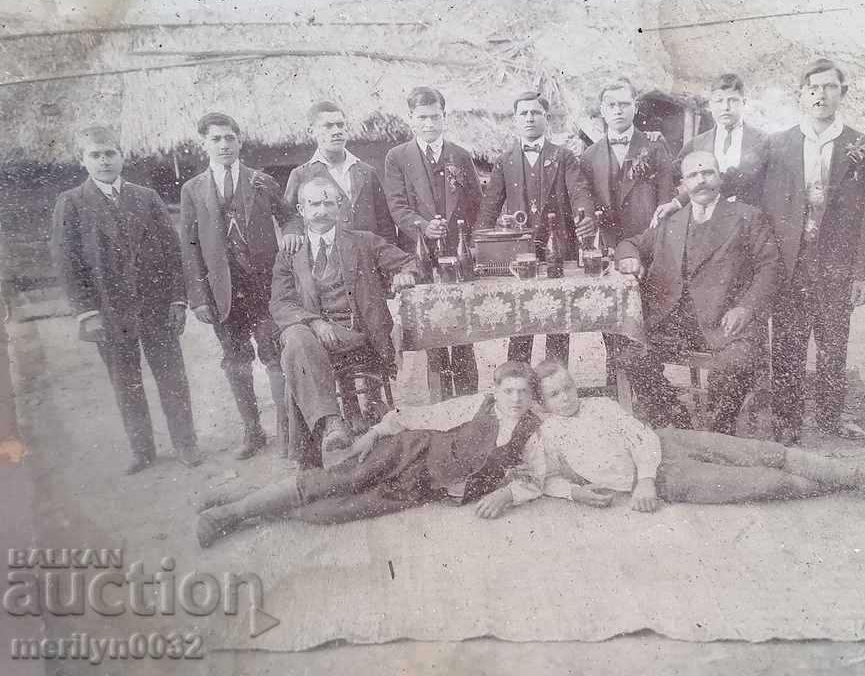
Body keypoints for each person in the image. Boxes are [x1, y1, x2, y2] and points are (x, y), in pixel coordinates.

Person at [196, 361, 544, 547]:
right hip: (408, 451)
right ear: (495, 390)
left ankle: (246, 499)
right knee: (336, 481)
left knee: (330, 511)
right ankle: (227, 513)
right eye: (508, 391)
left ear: (532, 395)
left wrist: (506, 494)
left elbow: (539, 477)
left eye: (523, 392)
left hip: (421, 486)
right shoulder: (479, 405)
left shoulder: (533, 431)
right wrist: (375, 433)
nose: (515, 399)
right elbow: (421, 415)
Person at [519, 361, 865, 510]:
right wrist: (575, 493)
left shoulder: (601, 405)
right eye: (555, 394)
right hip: (669, 479)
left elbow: (640, 438)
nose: (566, 397)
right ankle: (841, 484)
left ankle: (856, 474)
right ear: (541, 402)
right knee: (759, 482)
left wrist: (645, 481)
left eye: (569, 387)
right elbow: (542, 479)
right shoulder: (547, 435)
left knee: (757, 452)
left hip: (665, 444)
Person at [51, 126, 199, 474]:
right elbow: (67, 262)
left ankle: (185, 443)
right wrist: (87, 312)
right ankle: (142, 450)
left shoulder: (146, 197)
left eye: (110, 154)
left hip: (155, 305)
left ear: (121, 156)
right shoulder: (71, 203)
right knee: (125, 381)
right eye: (95, 155)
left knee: (172, 377)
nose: (104, 161)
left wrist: (178, 300)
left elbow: (172, 251)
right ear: (83, 160)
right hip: (109, 311)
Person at [760, 58, 865, 445]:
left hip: (837, 266)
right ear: (801, 94)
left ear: (842, 93)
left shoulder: (863, 146)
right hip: (790, 265)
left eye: (830, 87)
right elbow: (752, 193)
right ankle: (787, 420)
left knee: (833, 345)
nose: (821, 94)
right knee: (788, 344)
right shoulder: (778, 144)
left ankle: (831, 418)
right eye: (813, 87)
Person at [617, 150, 778, 433]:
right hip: (674, 324)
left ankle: (716, 433)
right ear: (683, 184)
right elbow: (630, 243)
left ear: (720, 178)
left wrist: (746, 307)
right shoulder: (670, 221)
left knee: (737, 362)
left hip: (726, 324)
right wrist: (630, 258)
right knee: (631, 354)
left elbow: (770, 267)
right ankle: (676, 421)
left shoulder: (747, 217)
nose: (701, 180)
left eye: (708, 173)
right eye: (693, 175)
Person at [271, 177, 418, 463]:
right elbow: (280, 303)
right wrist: (315, 322)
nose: (321, 211)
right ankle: (332, 422)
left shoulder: (363, 241)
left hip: (356, 334)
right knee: (296, 338)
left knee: (295, 349)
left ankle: (316, 445)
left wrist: (405, 274)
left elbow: (408, 261)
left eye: (329, 203)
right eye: (314, 204)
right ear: (301, 210)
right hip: (313, 336)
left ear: (340, 206)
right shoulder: (290, 253)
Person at [179, 112, 295, 460]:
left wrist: (291, 234)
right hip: (223, 294)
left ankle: (288, 430)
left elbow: (289, 216)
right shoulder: (193, 189)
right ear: (204, 144)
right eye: (216, 139)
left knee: (275, 356)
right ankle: (252, 432)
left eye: (229, 138)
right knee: (235, 361)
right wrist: (198, 297)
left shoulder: (261, 181)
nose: (224, 145)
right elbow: (190, 246)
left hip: (265, 288)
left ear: (240, 140)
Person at [476, 91, 595, 364]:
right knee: (521, 321)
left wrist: (585, 216)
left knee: (558, 320)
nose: (530, 118)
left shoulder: (564, 157)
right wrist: (477, 247)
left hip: (558, 248)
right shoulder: (504, 161)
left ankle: (555, 379)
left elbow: (579, 191)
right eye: (524, 113)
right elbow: (489, 207)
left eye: (536, 113)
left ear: (546, 118)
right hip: (519, 253)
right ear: (515, 120)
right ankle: (518, 378)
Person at [383, 86, 482, 398]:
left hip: (458, 255)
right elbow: (397, 205)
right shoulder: (397, 158)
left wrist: (469, 243)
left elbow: (477, 205)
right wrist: (425, 227)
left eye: (435, 117)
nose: (429, 123)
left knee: (463, 330)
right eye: (422, 117)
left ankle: (468, 397)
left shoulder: (460, 156)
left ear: (444, 117)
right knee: (432, 331)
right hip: (421, 255)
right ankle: (441, 400)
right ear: (411, 119)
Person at [580, 78, 674, 385]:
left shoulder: (655, 148)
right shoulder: (589, 156)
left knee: (645, 324)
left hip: (647, 247)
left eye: (624, 104)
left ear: (635, 107)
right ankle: (615, 387)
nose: (618, 110)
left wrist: (656, 245)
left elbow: (666, 200)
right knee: (611, 322)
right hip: (608, 249)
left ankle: (649, 389)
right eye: (611, 105)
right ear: (602, 111)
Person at [650, 73, 769, 225]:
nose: (726, 107)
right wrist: (656, 146)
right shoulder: (697, 143)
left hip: (747, 224)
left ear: (744, 102)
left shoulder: (761, 140)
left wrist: (679, 201)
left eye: (732, 100)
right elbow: (672, 173)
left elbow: (734, 178)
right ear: (711, 105)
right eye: (719, 101)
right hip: (705, 224)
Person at [283, 100, 396, 241]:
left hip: (369, 252)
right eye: (328, 126)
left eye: (340, 125)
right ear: (311, 132)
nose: (337, 131)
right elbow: (289, 217)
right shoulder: (301, 174)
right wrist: (292, 232)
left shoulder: (367, 172)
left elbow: (385, 223)